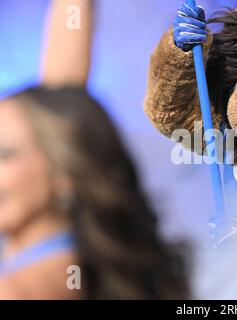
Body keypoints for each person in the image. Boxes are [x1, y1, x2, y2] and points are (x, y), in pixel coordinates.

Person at [0, 0, 189, 299]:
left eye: (4, 155)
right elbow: (60, 103)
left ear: (63, 169)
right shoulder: (77, 264)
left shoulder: (18, 289)